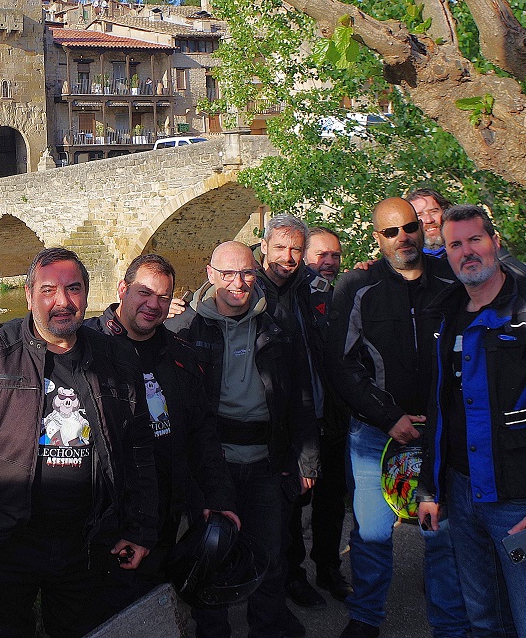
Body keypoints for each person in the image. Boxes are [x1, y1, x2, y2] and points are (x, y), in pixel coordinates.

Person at [0, 254, 239, 609]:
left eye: (163, 297)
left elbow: (202, 434)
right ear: (122, 289)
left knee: (155, 607)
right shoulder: (86, 338)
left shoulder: (179, 355)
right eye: (144, 293)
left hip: (159, 514)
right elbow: (29, 341)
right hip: (104, 524)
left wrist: (218, 496)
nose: (153, 305)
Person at [0, 247, 158, 638]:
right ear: (29, 296)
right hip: (4, 544)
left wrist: (140, 526)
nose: (62, 301)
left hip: (86, 545)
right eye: (48, 290)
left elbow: (138, 450)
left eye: (73, 289)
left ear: (87, 294)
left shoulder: (116, 358)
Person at [417, 205, 526, 638]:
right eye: (455, 244)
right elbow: (441, 410)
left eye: (475, 240)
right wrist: (430, 489)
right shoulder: (447, 313)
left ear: (495, 243)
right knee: (484, 620)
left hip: (522, 501)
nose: (466, 252)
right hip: (463, 495)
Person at [325, 198, 471, 638]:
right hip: (377, 433)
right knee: (371, 533)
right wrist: (388, 416)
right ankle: (366, 616)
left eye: (409, 227)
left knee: (441, 533)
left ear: (422, 228)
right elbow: (341, 362)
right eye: (391, 232)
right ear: (378, 238)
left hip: (440, 432)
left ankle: (449, 624)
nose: (403, 237)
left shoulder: (450, 279)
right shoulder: (358, 285)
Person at [167, 240, 318, 638]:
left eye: (247, 273)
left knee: (269, 553)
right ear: (210, 274)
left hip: (265, 460)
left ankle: (268, 628)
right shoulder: (184, 329)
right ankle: (213, 631)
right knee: (211, 553)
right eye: (228, 274)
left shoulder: (276, 326)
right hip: (212, 463)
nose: (238, 282)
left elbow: (300, 396)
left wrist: (307, 458)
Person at [251, 216, 349, 621]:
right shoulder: (250, 288)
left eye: (295, 249)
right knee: (290, 504)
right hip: (287, 419)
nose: (287, 257)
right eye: (280, 248)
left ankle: (328, 567)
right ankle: (292, 577)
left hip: (328, 410)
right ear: (264, 247)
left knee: (330, 500)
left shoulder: (312, 289)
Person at [406, 187, 449, 256]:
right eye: (419, 215)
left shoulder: (464, 248)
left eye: (433, 212)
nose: (429, 220)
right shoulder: (409, 258)